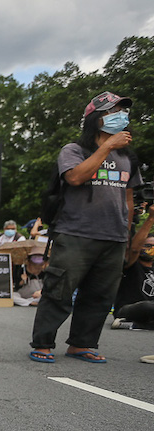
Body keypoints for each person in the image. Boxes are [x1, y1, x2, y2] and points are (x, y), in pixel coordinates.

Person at [29, 91, 143, 363]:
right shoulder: (74, 150)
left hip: (113, 237)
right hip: (76, 234)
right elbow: (76, 177)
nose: (121, 117)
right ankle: (43, 343)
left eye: (123, 112)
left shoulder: (129, 159)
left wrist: (126, 235)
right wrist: (106, 147)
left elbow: (128, 199)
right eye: (113, 112)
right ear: (95, 119)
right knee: (59, 290)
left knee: (100, 295)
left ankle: (82, 343)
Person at [111, 204, 154, 330]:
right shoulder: (131, 265)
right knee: (148, 306)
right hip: (129, 308)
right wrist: (150, 219)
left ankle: (135, 325)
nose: (151, 249)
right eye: (147, 246)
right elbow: (134, 249)